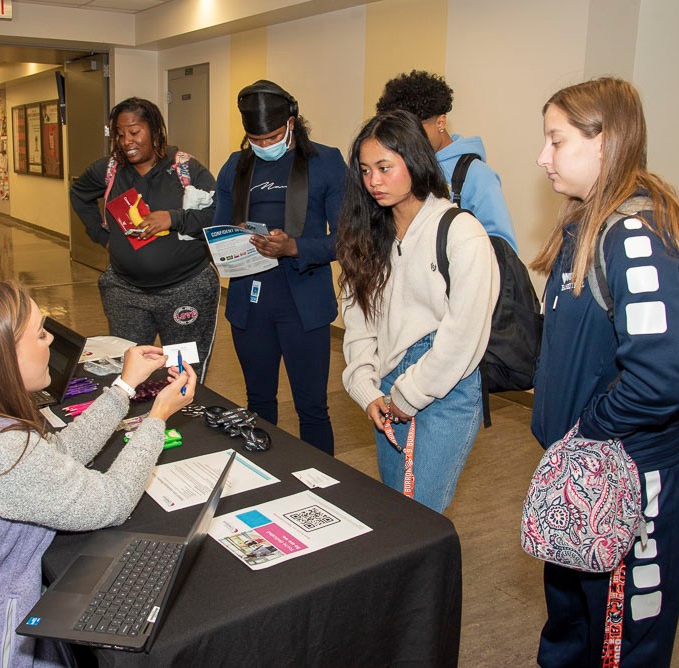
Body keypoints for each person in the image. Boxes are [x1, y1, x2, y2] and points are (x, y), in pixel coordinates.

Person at [0, 281, 196, 667]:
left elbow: (57, 453)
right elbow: (112, 501)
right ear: (0, 356)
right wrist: (156, 418)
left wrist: (124, 387)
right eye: (40, 334)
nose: (50, 344)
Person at [530, 77, 679, 666]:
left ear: (606, 143)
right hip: (582, 478)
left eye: (557, 141)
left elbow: (659, 380)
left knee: (621, 647)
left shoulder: (634, 235)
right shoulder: (584, 226)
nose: (542, 158)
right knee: (572, 627)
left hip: (632, 478)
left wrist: (589, 427)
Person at [338, 110, 498, 512]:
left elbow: (464, 335)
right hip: (387, 382)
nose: (373, 180)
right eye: (365, 170)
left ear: (414, 162)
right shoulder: (368, 235)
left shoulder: (462, 232)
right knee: (395, 505)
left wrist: (409, 394)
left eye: (384, 167)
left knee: (421, 514)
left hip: (446, 385)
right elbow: (358, 321)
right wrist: (366, 386)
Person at [213, 80, 346, 455]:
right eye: (256, 139)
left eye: (272, 136)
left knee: (312, 407)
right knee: (258, 404)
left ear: (292, 120)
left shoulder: (325, 162)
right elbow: (219, 229)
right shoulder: (235, 168)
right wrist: (233, 240)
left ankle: (322, 486)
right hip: (249, 304)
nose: (265, 145)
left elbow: (347, 239)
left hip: (304, 305)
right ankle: (265, 480)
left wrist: (294, 247)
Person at [70, 97, 219, 379]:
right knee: (131, 371)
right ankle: (141, 423)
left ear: (155, 130)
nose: (127, 141)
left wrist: (173, 218)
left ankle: (180, 419)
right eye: (120, 134)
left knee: (182, 372)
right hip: (126, 293)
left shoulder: (186, 169)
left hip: (185, 292)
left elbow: (217, 215)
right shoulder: (109, 169)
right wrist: (103, 237)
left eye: (135, 132)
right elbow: (78, 194)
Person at [376, 70, 518, 250]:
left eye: (416, 131)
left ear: (440, 123)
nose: (408, 141)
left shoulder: (476, 175)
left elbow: (503, 247)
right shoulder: (400, 168)